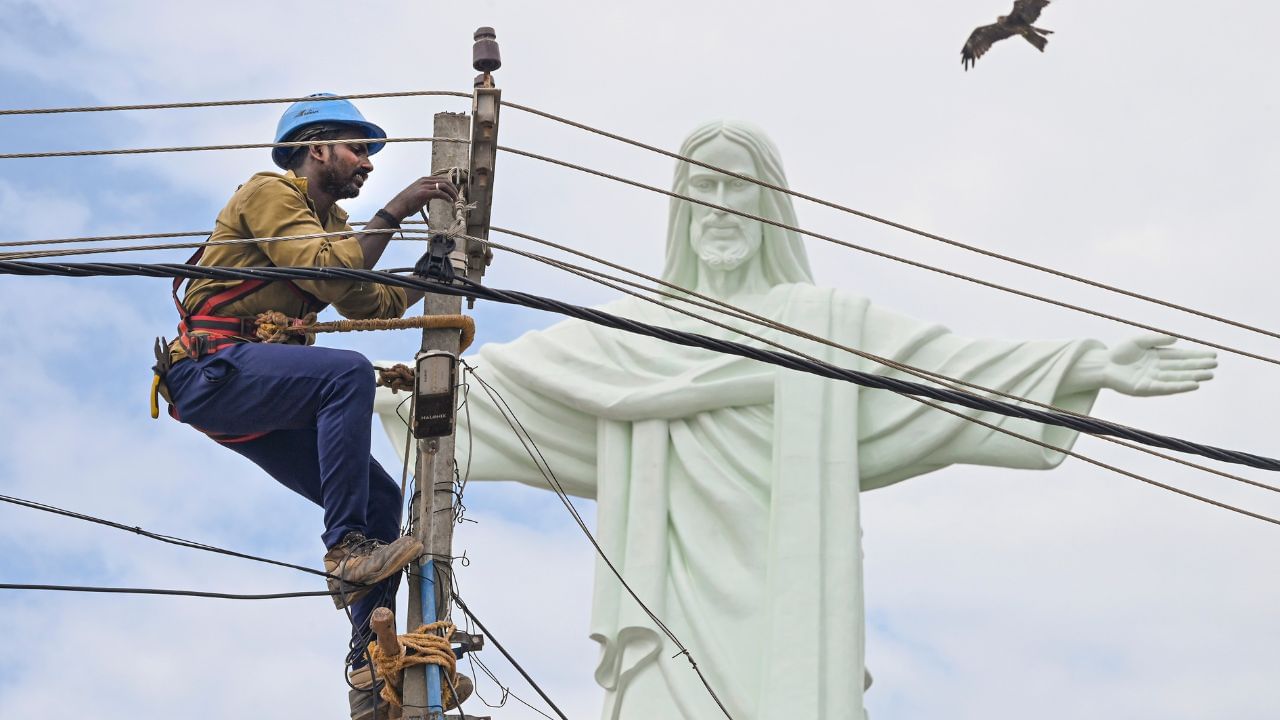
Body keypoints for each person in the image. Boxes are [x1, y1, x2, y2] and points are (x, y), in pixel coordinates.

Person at [374, 120, 1218, 719]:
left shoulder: (826, 328)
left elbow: (949, 372)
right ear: (679, 209)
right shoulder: (626, 338)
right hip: (664, 614)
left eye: (736, 191)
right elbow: (485, 393)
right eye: (699, 191)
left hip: (792, 615)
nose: (717, 211)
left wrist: (1085, 365)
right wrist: (369, 389)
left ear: (769, 206)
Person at [155, 93, 460, 719]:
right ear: (315, 149)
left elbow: (363, 302)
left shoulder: (334, 229)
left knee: (379, 498)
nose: (367, 164)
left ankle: (369, 667)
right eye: (358, 149)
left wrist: (423, 277)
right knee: (343, 376)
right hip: (214, 373)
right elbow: (324, 274)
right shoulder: (269, 192)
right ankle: (346, 551)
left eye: (370, 155)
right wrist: (399, 208)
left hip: (250, 394)